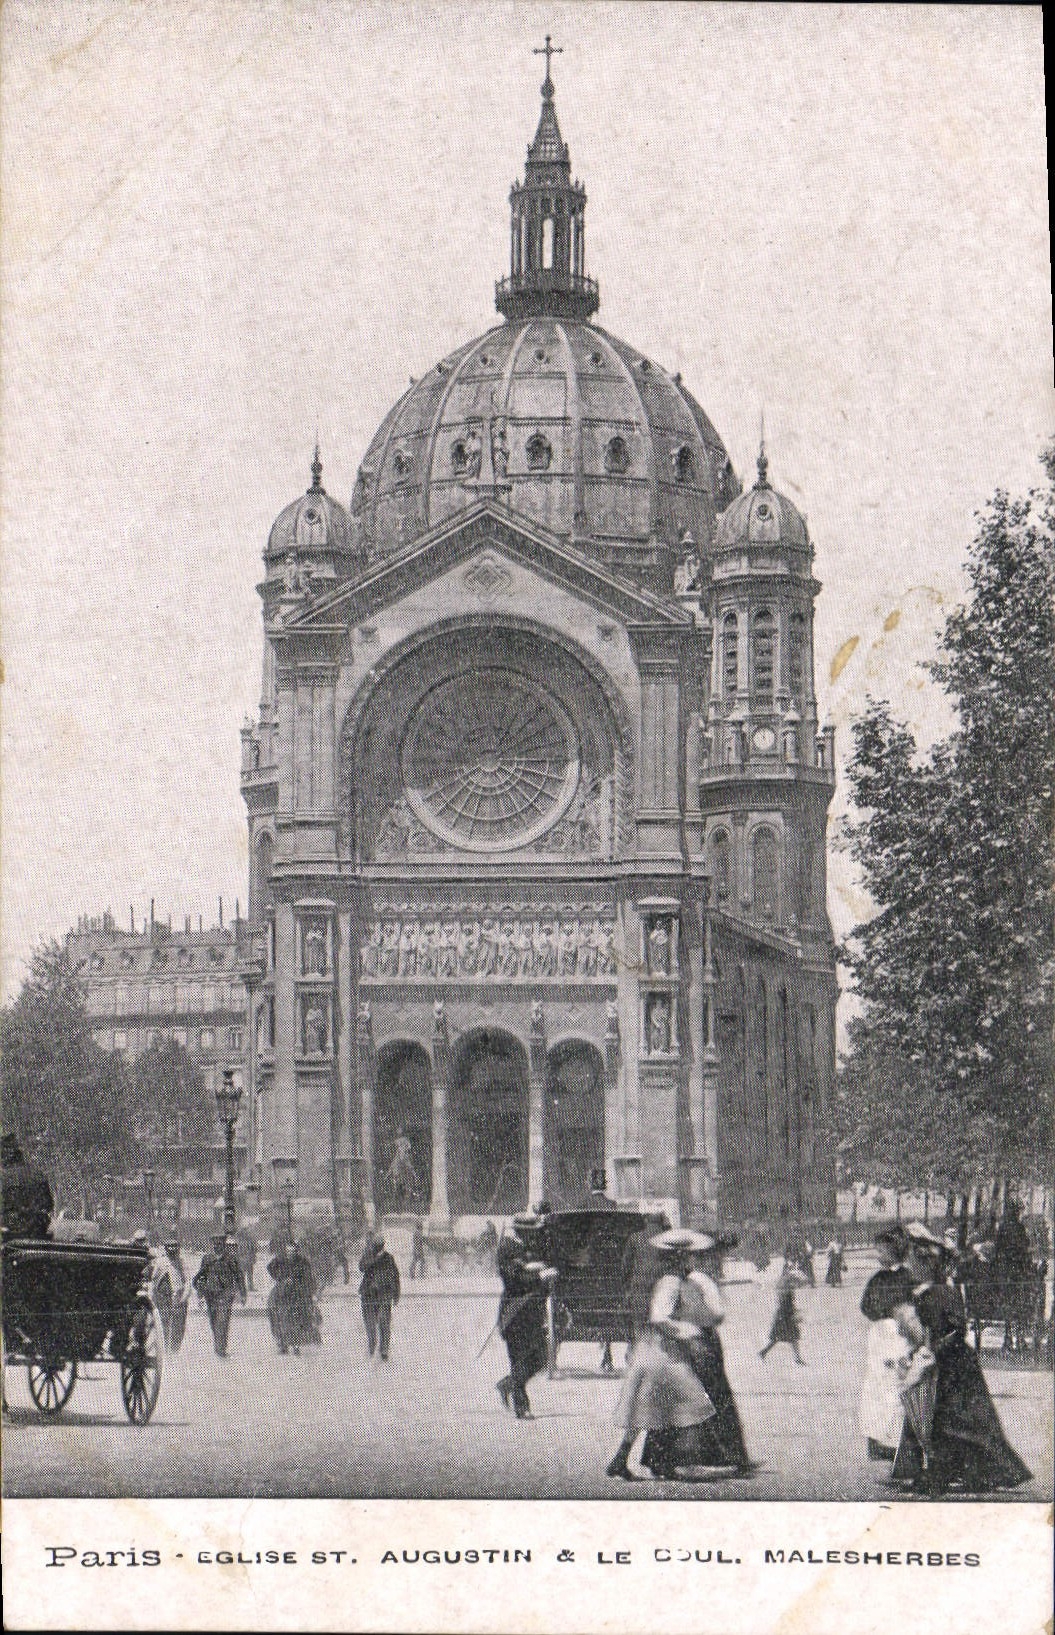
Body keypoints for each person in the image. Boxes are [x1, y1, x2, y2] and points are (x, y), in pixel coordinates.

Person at [890, 1223, 1031, 1495]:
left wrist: (934, 1349)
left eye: (914, 1265)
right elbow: (927, 1331)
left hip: (956, 1363)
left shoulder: (943, 1291)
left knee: (960, 1421)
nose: (911, 1270)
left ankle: (955, 1472)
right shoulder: (926, 1292)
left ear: (927, 1265)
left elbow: (957, 1329)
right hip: (942, 1361)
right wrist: (917, 1351)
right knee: (939, 1418)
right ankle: (943, 1471)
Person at [608, 1229, 719, 1481]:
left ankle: (626, 1460)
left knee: (652, 1409)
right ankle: (666, 1461)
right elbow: (659, 1317)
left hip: (656, 1351)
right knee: (688, 1403)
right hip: (662, 1354)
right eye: (691, 1256)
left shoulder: (673, 1279)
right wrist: (687, 1332)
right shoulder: (670, 1282)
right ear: (680, 1257)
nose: (695, 1261)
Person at [858, 1226, 914, 1461]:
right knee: (881, 1385)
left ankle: (889, 1439)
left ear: (892, 1251)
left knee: (892, 1385)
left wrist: (885, 1315)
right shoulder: (904, 1278)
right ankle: (880, 1438)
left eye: (881, 1251)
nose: (878, 1255)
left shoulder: (888, 1278)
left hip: (893, 1334)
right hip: (885, 1335)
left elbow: (867, 1307)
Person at [495, 1215, 558, 1420]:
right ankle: (521, 1407)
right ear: (522, 1230)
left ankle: (507, 1384)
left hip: (533, 1313)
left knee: (540, 1357)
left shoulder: (530, 1247)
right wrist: (539, 1275)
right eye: (532, 1231)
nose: (535, 1234)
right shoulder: (506, 1248)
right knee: (518, 1359)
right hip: (515, 1313)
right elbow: (513, 1279)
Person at [192, 1234, 248, 1358]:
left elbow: (239, 1277)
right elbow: (201, 1277)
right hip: (210, 1295)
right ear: (213, 1245)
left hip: (226, 1294)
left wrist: (243, 1294)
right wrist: (200, 1295)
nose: (218, 1247)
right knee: (213, 1321)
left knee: (222, 1321)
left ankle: (221, 1349)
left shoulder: (230, 1259)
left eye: (220, 1245)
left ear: (224, 1246)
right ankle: (218, 1345)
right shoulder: (207, 1259)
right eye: (215, 1245)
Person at [266, 1239, 319, 1354]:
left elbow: (309, 1277)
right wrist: (281, 1277)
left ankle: (296, 1343)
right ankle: (282, 1343)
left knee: (298, 1318)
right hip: (282, 1292)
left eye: (293, 1250)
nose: (290, 1253)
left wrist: (306, 1288)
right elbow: (270, 1267)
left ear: (296, 1251)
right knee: (275, 1310)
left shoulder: (303, 1261)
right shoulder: (280, 1259)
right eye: (288, 1250)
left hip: (298, 1293)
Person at [1, 1133, 53, 1241]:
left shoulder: (3, 1176)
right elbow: (49, 1205)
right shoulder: (38, 1174)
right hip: (36, 1232)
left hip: (8, 1235)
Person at [359, 1231, 401, 1360]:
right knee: (370, 1323)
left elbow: (395, 1276)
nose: (378, 1247)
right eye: (376, 1245)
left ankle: (384, 1350)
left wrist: (396, 1294)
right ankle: (372, 1344)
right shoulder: (368, 1256)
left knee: (384, 1324)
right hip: (369, 1294)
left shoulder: (388, 1258)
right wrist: (374, 1257)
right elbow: (361, 1267)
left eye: (380, 1245)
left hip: (384, 1296)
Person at [759, 1260, 807, 1364]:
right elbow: (801, 1282)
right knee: (790, 1336)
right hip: (785, 1314)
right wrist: (794, 1313)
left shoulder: (782, 1281)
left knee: (783, 1336)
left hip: (782, 1313)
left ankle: (764, 1352)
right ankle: (764, 1352)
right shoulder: (787, 1282)